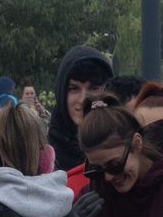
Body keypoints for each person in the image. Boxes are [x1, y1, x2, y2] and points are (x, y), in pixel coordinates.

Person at [47, 46, 114, 174]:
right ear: (61, 93)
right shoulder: (41, 156)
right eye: (74, 89)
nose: (83, 99)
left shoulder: (127, 150)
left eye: (94, 88)